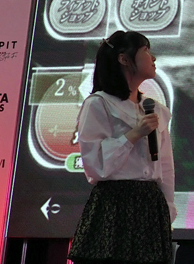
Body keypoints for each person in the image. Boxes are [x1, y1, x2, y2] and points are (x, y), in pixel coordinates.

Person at [69, 30, 176, 264]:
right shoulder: (99, 104)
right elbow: (96, 167)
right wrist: (134, 135)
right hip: (115, 205)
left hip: (151, 205)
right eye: (146, 51)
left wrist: (167, 208)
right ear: (124, 59)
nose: (153, 58)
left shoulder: (155, 109)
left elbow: (166, 166)